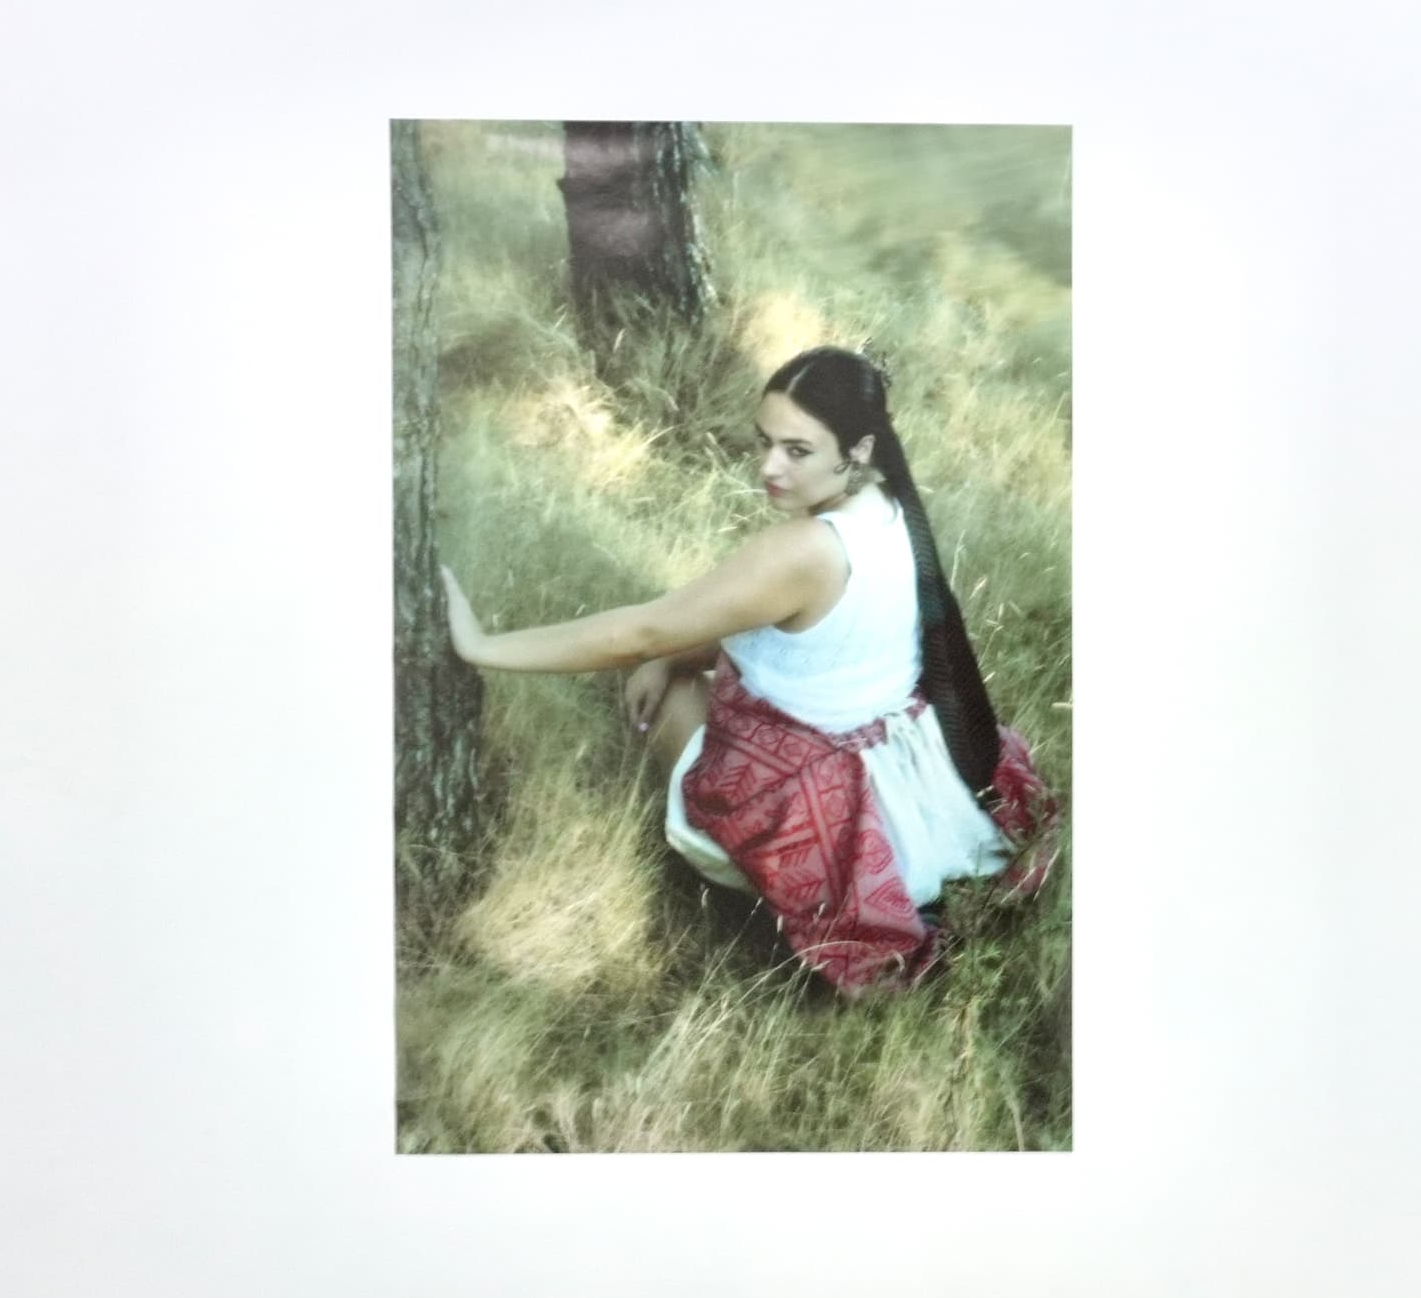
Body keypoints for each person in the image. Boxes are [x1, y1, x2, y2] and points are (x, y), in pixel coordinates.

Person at [443, 346, 1052, 993]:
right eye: (765, 441)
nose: (769, 467)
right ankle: (909, 880)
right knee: (672, 665)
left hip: (833, 800)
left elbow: (637, 633)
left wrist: (484, 647)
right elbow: (808, 638)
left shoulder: (804, 550)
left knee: (668, 692)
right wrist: (672, 653)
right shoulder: (890, 508)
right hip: (908, 770)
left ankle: (769, 906)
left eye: (797, 451)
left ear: (859, 449)